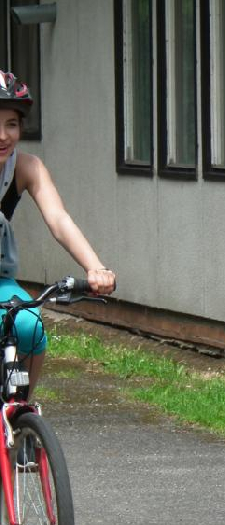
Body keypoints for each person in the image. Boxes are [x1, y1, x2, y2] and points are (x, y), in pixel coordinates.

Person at [0, 70, 116, 399]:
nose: (3, 135)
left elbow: (58, 218)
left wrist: (94, 268)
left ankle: (20, 420)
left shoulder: (26, 168)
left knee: (29, 324)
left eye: (11, 123)